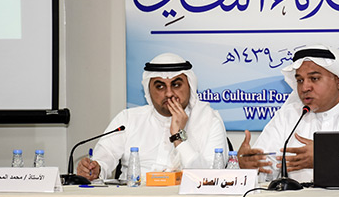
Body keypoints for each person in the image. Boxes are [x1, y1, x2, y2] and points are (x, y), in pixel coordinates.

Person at [238, 44, 339, 183]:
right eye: (300, 80)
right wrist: (250, 167)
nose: (305, 87)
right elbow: (268, 171)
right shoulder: (289, 115)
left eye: (314, 78)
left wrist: (327, 158)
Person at [77, 53, 228, 181]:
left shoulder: (209, 121)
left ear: (190, 86)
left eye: (176, 85)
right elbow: (103, 158)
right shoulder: (128, 119)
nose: (169, 93)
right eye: (160, 86)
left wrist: (178, 137)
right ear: (148, 91)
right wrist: (95, 169)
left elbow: (211, 179)